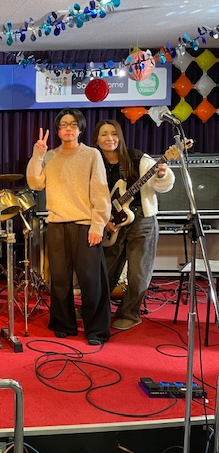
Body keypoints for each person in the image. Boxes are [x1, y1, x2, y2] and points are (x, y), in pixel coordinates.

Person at [26, 108, 112, 346]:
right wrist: (37, 155)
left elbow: (101, 192)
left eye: (73, 124)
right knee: (60, 279)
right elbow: (35, 183)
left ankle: (97, 330)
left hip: (85, 225)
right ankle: (63, 324)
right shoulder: (50, 156)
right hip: (57, 224)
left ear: (80, 128)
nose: (68, 128)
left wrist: (98, 225)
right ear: (58, 130)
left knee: (91, 280)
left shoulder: (92, 155)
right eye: (63, 125)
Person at [93, 119, 175, 330]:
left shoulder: (137, 158)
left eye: (114, 133)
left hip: (142, 220)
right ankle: (95, 310)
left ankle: (129, 314)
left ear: (120, 137)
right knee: (105, 271)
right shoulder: (94, 162)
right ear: (96, 139)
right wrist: (104, 220)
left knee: (138, 273)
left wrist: (162, 174)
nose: (109, 138)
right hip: (112, 223)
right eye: (104, 134)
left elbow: (161, 185)